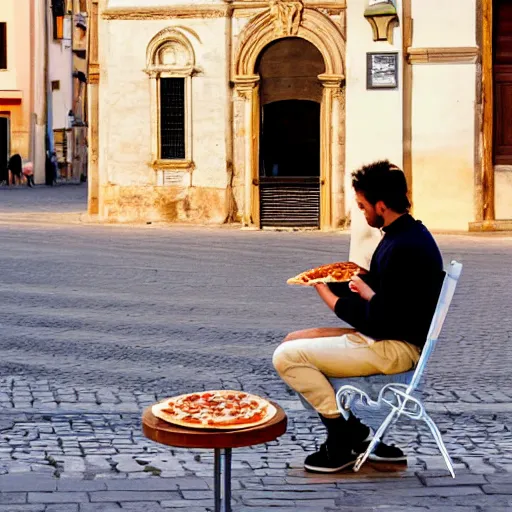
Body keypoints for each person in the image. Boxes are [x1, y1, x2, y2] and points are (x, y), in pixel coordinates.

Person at [273, 160, 444, 473]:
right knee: (292, 341)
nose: (363, 213)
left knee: (287, 357)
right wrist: (357, 284)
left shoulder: (403, 246)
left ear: (381, 205)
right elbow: (384, 294)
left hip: (395, 347)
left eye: (363, 206)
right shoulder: (406, 235)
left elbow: (376, 317)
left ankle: (343, 437)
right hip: (391, 335)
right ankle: (358, 435)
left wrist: (323, 290)